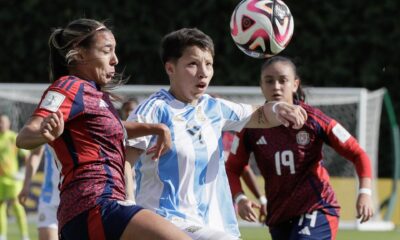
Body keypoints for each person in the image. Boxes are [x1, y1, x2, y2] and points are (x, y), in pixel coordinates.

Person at [15, 18, 190, 240]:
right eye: (107, 51)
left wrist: (156, 128)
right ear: (79, 53)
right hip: (93, 203)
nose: (115, 60)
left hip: (98, 209)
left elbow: (113, 128)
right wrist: (43, 133)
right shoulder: (68, 86)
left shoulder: (95, 95)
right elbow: (25, 136)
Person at [125, 28, 307, 240]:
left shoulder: (214, 108)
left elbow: (260, 114)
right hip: (166, 222)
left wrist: (278, 108)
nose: (203, 72)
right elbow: (124, 162)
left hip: (216, 225)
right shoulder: (153, 110)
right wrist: (129, 212)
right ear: (170, 68)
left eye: (209, 64)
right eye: (193, 64)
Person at [226, 56, 374, 240]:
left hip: (317, 206)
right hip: (279, 214)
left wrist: (365, 193)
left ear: (295, 84)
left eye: (283, 80)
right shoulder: (250, 126)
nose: (276, 87)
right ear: (261, 85)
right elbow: (232, 167)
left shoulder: (313, 119)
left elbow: (358, 153)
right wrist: (240, 199)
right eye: (269, 81)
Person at [19, 144, 60, 240]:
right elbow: (36, 154)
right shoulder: (46, 129)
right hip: (49, 198)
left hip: (76, 197)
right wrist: (26, 184)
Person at [0, 114, 30, 240]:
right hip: (0, 180)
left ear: (8, 124)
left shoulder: (13, 137)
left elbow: (26, 155)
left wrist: (23, 171)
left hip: (12, 180)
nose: (1, 124)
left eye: (3, 122)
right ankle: (2, 235)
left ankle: (24, 236)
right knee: (1, 207)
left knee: (17, 206)